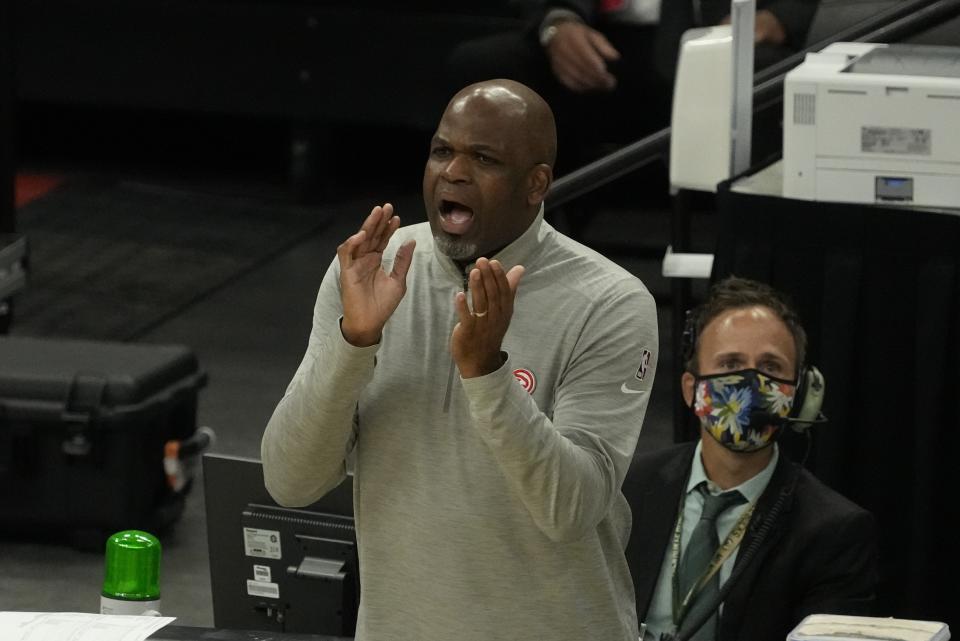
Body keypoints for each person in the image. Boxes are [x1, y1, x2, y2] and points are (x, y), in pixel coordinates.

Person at [261, 78, 659, 641]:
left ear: (536, 183)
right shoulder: (373, 273)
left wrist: (488, 375)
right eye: (442, 151)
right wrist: (353, 343)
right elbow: (288, 480)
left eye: (484, 158)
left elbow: (571, 508)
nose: (452, 172)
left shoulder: (610, 303)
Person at [622, 276, 878, 641]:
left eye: (771, 367)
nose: (750, 382)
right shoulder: (628, 487)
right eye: (730, 364)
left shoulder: (834, 532)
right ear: (691, 390)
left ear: (801, 394)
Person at [446, 0, 818, 168]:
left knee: (766, 75)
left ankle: (744, 264)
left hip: (712, 39)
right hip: (597, 42)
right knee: (484, 66)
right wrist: (556, 22)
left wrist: (777, 17)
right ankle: (500, 244)